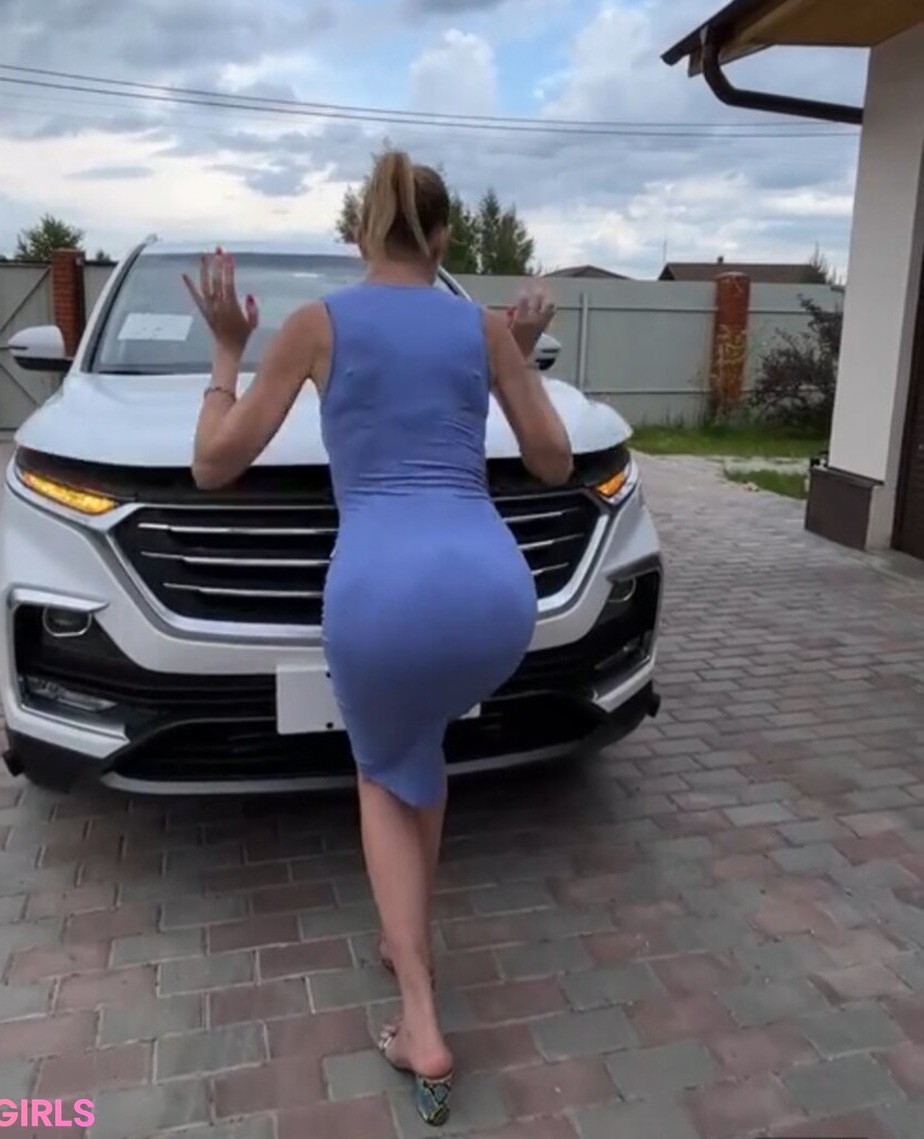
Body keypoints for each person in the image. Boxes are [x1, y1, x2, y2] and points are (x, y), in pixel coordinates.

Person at [184, 149, 574, 1125]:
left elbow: (214, 465)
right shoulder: (482, 326)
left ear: (361, 231)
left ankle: (421, 1022)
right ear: (443, 237)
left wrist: (228, 352)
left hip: (382, 597)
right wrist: (516, 352)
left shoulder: (317, 323)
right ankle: (407, 947)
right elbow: (552, 459)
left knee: (382, 771)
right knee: (416, 758)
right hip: (495, 597)